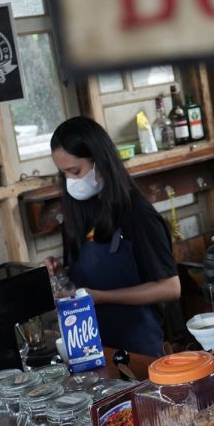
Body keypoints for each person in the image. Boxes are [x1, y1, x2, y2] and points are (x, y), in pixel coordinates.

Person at [46, 116, 180, 357]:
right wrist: (61, 274)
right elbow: (87, 277)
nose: (70, 182)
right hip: (89, 345)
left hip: (138, 349)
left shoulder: (137, 214)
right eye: (63, 174)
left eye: (75, 171)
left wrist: (102, 298)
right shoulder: (77, 213)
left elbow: (170, 288)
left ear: (100, 161)